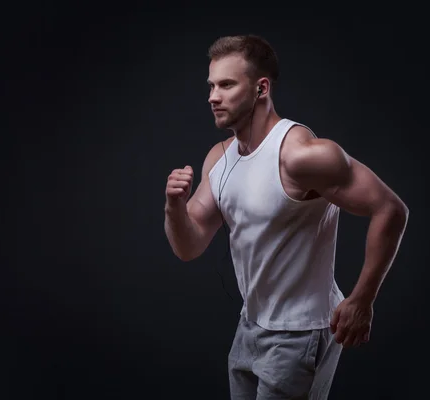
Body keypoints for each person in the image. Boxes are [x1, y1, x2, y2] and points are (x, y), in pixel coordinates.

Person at [163, 34, 409, 400]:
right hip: (250, 325)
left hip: (300, 333)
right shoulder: (221, 157)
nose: (213, 96)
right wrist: (174, 207)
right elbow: (189, 244)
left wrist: (361, 299)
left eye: (227, 84)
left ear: (261, 88)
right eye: (212, 85)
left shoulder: (301, 155)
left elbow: (391, 209)